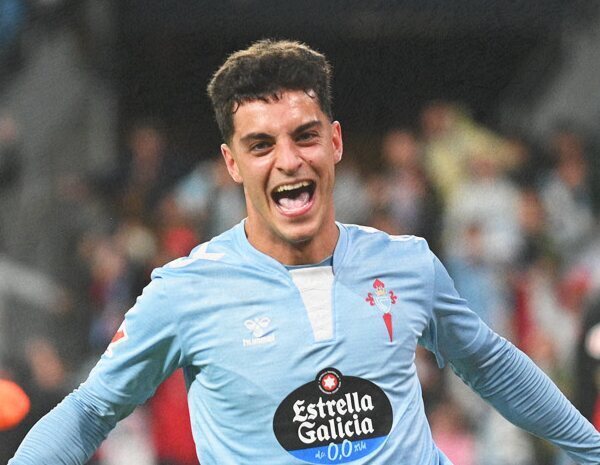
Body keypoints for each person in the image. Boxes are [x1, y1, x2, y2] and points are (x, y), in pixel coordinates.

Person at [9, 39, 600, 465]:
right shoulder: (184, 292)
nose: (289, 160)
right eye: (261, 145)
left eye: (305, 135)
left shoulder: (408, 264)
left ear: (335, 142)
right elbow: (90, 411)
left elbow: (491, 363)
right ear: (232, 164)